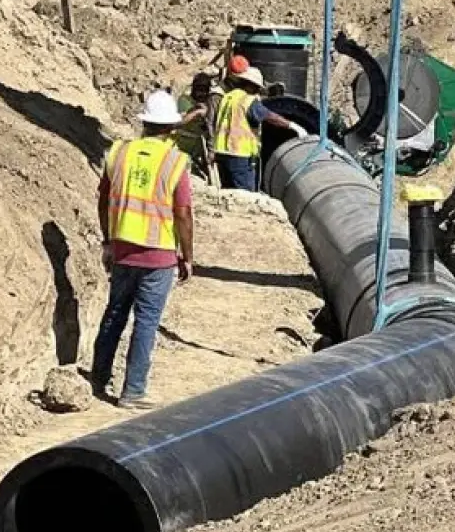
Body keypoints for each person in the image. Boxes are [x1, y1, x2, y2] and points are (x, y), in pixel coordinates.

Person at [91, 89, 194, 409]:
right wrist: (187, 256)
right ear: (171, 127)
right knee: (146, 322)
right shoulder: (175, 161)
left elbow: (103, 199)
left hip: (122, 247)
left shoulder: (119, 152)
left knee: (114, 313)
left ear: (145, 123)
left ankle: (97, 378)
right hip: (158, 253)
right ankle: (133, 391)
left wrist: (108, 240)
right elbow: (183, 213)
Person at [212, 56, 305, 192]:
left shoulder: (228, 97)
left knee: (230, 193)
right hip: (239, 155)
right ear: (249, 85)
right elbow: (269, 116)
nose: (257, 91)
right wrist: (292, 126)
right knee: (245, 193)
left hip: (222, 152)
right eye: (256, 88)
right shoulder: (247, 100)